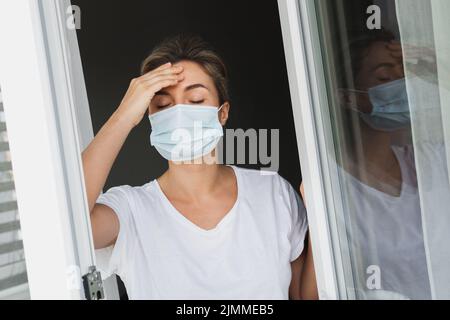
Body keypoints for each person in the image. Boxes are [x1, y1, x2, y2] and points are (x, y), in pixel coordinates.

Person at [82, 34, 318, 300]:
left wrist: (323, 222)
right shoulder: (131, 210)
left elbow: (301, 296)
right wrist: (123, 115)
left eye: (195, 100)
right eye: (163, 104)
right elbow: (68, 224)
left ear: (222, 113)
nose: (179, 114)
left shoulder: (272, 191)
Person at [332, 29, 433, 299]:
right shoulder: (333, 191)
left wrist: (441, 70)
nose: (402, 85)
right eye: (385, 77)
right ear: (349, 97)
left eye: (405, 75)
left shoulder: (431, 163)